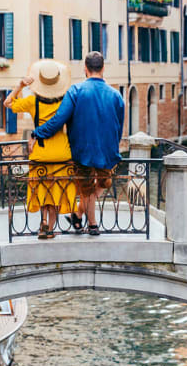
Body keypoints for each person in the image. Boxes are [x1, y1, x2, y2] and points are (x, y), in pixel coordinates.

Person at [30, 51, 124, 236]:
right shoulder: (116, 95)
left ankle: (78, 213)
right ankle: (93, 224)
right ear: (103, 68)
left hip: (82, 150)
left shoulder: (75, 91)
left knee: (100, 183)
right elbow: (119, 126)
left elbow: (58, 120)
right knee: (94, 186)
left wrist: (37, 133)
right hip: (106, 149)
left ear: (85, 69)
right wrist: (115, 145)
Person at [5, 60, 77, 239]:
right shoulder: (67, 102)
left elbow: (8, 103)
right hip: (62, 153)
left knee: (43, 191)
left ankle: (43, 223)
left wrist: (20, 85)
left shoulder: (32, 101)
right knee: (55, 192)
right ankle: (50, 228)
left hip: (40, 153)